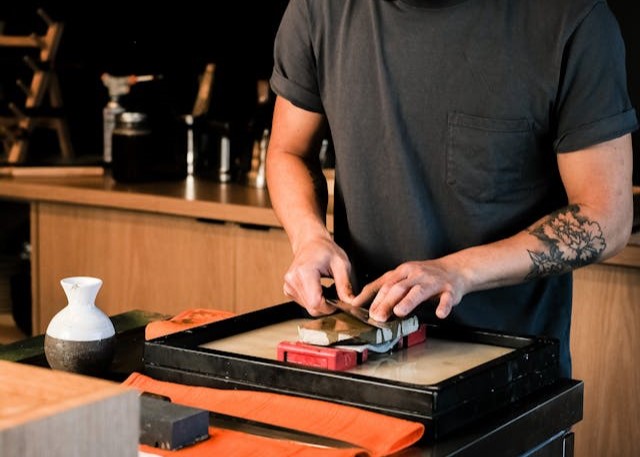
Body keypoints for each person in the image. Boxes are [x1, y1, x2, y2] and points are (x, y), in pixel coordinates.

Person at [265, 0, 637, 378]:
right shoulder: (319, 8)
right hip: (360, 358)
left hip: (506, 378)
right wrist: (309, 237)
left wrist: (458, 271)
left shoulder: (571, 19)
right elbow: (288, 151)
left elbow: (607, 215)